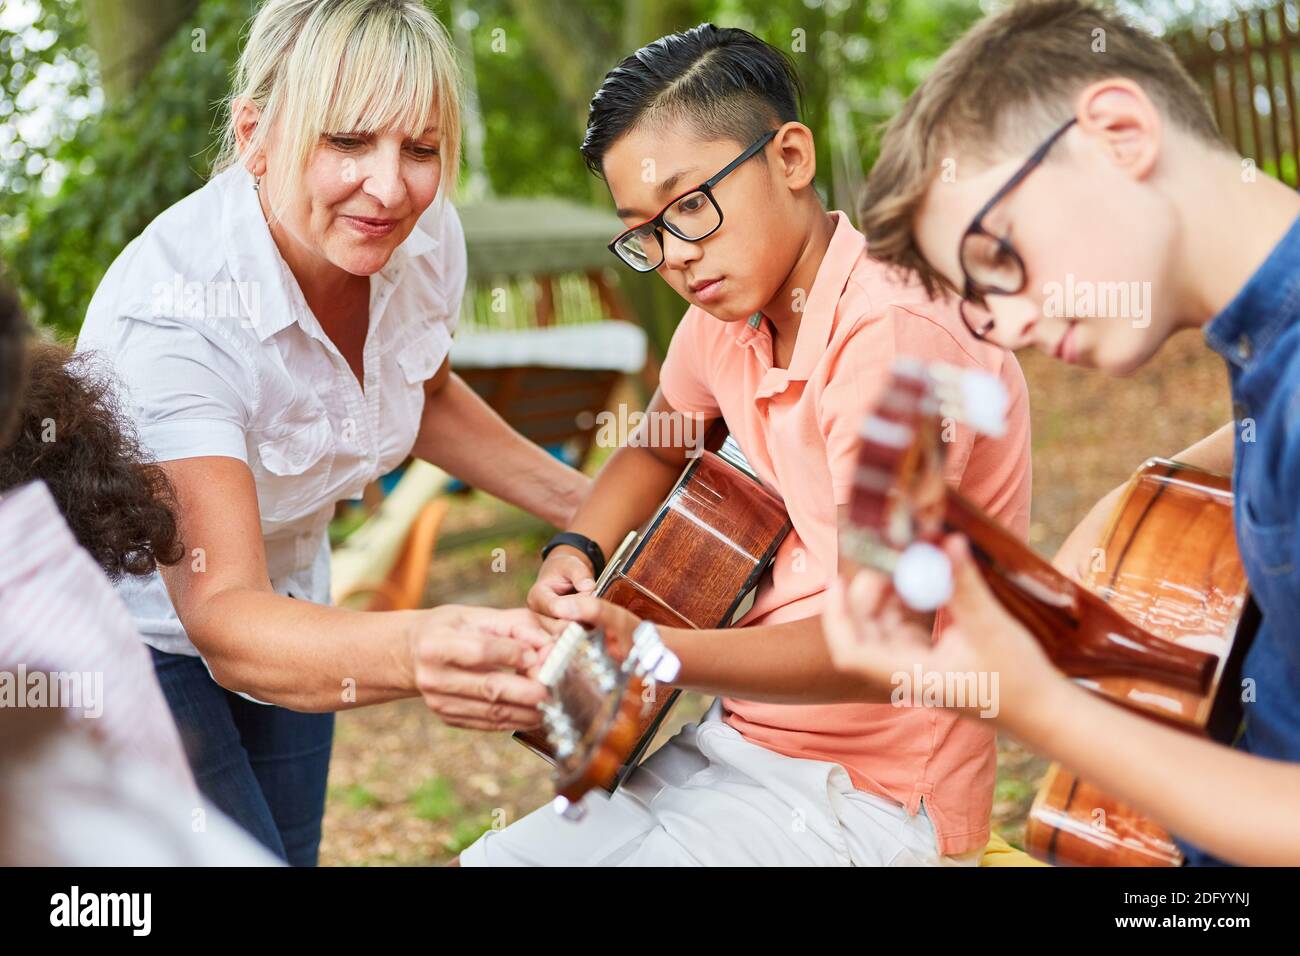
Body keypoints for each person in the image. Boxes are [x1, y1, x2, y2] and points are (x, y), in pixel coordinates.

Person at [459, 23, 1032, 867]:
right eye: (643, 231)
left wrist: (652, 652)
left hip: (873, 799)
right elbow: (657, 447)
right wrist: (576, 547)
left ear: (791, 158)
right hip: (734, 745)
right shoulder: (723, 320)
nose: (676, 257)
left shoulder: (895, 341)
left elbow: (878, 643)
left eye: (691, 204)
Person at [75, 0, 580, 865]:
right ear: (255, 137)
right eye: (347, 142)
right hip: (133, 632)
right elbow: (226, 615)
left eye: (420, 150)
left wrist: (594, 507)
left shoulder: (420, 242)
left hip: (294, 600)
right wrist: (424, 645)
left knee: (291, 852)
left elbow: (423, 387)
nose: (390, 190)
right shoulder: (172, 317)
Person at [829, 0, 1300, 866]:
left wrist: (1042, 709)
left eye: (996, 258)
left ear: (1120, 133)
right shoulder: (1266, 347)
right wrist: (1133, 506)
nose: (1001, 328)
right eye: (974, 304)